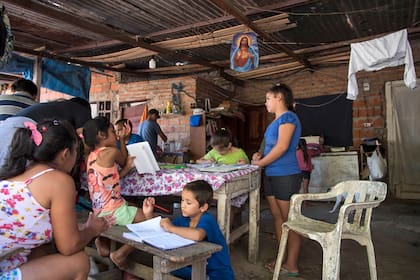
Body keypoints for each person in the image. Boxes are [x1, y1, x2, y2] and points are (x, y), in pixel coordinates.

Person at [0, 119, 112, 279]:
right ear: (65, 154)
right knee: (78, 262)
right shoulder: (60, 181)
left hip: (6, 261)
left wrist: (81, 229)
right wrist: (93, 229)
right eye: (76, 152)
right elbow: (69, 246)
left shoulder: (18, 173)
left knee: (44, 249)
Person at [82, 116, 155, 270]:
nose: (116, 134)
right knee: (151, 221)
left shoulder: (91, 157)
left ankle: (102, 242)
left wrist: (126, 168)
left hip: (98, 211)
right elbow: (123, 160)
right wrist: (122, 140)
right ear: (102, 135)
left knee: (132, 206)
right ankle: (121, 253)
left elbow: (109, 180)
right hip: (115, 211)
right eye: (112, 131)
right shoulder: (111, 152)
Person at [252, 84, 302, 276]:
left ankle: (292, 264)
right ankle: (282, 258)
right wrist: (259, 155)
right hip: (272, 175)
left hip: (285, 174)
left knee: (290, 220)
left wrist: (261, 163)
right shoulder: (274, 122)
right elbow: (268, 148)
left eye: (268, 98)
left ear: (279, 97)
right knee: (278, 219)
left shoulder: (288, 117)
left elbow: (281, 148)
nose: (266, 103)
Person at [160, 180, 234, 280]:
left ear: (203, 207)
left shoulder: (207, 219)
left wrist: (171, 228)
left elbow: (197, 235)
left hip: (217, 271)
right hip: (196, 266)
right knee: (170, 266)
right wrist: (149, 215)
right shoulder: (185, 218)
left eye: (188, 202)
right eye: (182, 200)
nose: (183, 205)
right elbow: (166, 227)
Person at [0, 97, 92, 168]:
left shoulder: (59, 108)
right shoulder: (83, 111)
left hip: (8, 126)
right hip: (21, 128)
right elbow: (86, 142)